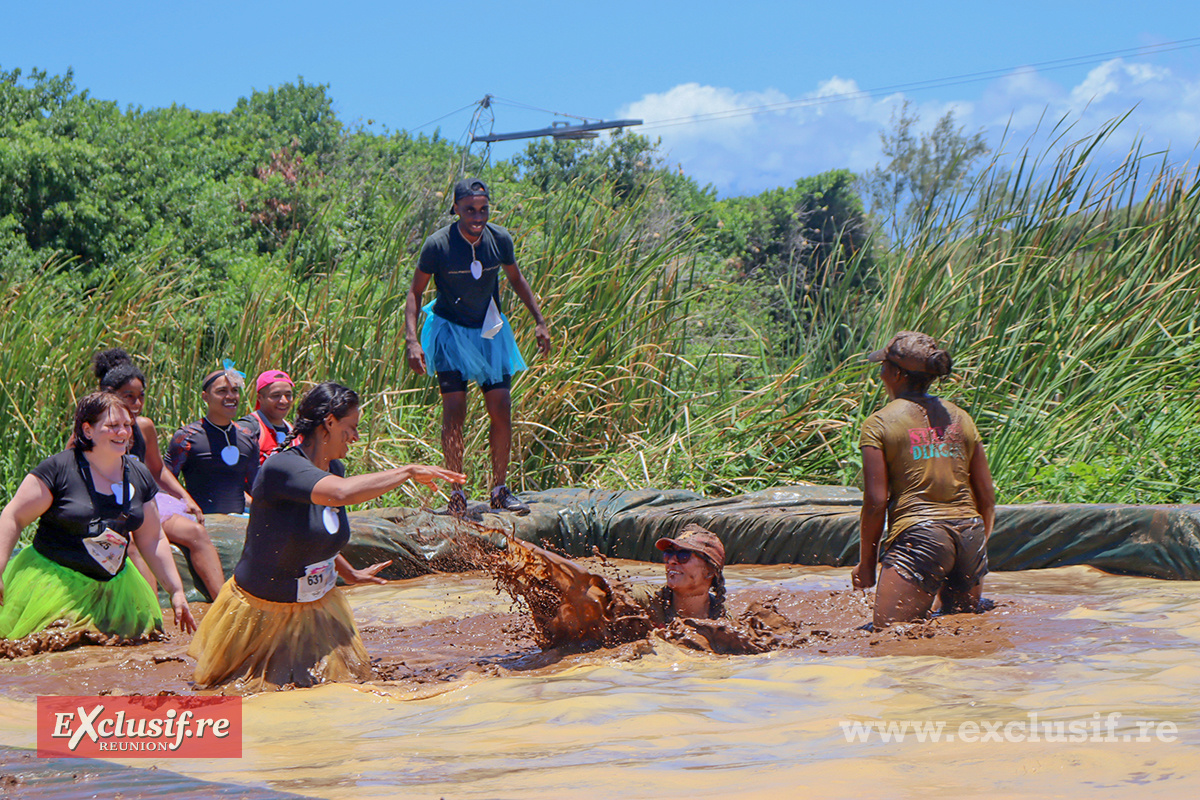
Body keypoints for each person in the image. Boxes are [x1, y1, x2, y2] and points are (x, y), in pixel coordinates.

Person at [188, 381, 464, 690]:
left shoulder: (335, 467)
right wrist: (408, 471)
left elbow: (321, 530)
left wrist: (350, 573)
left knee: (338, 693)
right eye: (351, 427)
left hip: (317, 609)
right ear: (329, 423)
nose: (356, 437)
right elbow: (342, 495)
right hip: (259, 614)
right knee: (241, 696)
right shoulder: (283, 468)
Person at [404, 178, 551, 517]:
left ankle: (499, 489)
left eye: (483, 209)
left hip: (489, 332)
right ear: (455, 208)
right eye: (469, 209)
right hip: (449, 333)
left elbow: (516, 279)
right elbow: (415, 293)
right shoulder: (438, 245)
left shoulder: (499, 240)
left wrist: (539, 321)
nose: (477, 216)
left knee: (501, 408)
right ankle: (457, 493)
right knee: (454, 412)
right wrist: (412, 340)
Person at [0, 393, 196, 645]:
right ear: (87, 430)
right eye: (113, 426)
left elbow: (152, 538)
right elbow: (13, 517)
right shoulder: (58, 470)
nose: (123, 432)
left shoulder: (139, 473)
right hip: (53, 586)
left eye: (127, 425)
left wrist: (176, 591)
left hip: (115, 588)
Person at [851, 331, 997, 628]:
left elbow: (876, 502)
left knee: (889, 639)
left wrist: (867, 564)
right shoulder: (962, 418)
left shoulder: (879, 423)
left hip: (919, 537)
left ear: (896, 373)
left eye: (883, 367)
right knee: (964, 635)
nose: (881, 374)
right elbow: (987, 497)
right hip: (970, 533)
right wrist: (975, 547)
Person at [93, 349, 225, 601]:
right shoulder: (91, 430)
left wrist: (185, 498)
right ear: (108, 397)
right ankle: (151, 614)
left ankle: (222, 607)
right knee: (130, 544)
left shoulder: (144, 426)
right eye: (128, 397)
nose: (137, 404)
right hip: (107, 506)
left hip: (143, 504)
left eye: (140, 397)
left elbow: (157, 469)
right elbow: (71, 470)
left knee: (195, 533)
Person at [501, 524, 727, 647]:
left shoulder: (727, 626)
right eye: (669, 553)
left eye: (684, 555)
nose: (672, 561)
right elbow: (597, 592)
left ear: (710, 570)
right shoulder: (645, 600)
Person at [166, 366, 259, 518]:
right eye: (222, 391)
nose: (230, 396)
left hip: (239, 524)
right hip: (201, 524)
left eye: (235, 390)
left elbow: (257, 486)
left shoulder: (248, 436)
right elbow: (164, 481)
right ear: (205, 397)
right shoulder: (187, 437)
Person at [240, 369, 295, 466]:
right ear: (260, 398)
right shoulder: (249, 428)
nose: (284, 401)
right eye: (276, 395)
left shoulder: (294, 431)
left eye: (288, 395)